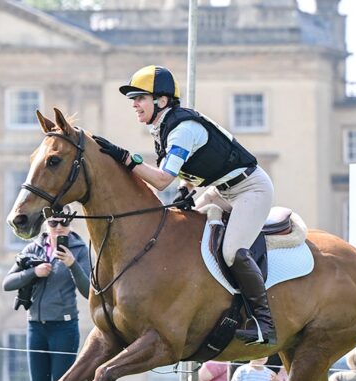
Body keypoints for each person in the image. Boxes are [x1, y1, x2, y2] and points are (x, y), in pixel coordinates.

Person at [92, 65, 276, 346]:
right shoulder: (163, 127)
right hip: (221, 190)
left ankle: (264, 323)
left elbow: (161, 180)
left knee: (231, 252)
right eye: (133, 99)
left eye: (140, 98)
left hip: (251, 189)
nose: (134, 104)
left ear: (162, 100)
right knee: (181, 235)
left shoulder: (183, 130)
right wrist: (185, 189)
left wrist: (126, 158)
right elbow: (187, 168)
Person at [3, 211, 90, 381]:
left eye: (64, 222)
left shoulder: (79, 250)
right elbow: (8, 282)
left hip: (64, 327)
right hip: (36, 327)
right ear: (45, 224)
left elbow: (89, 290)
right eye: (53, 222)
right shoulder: (33, 248)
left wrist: (72, 264)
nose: (59, 227)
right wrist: (34, 272)